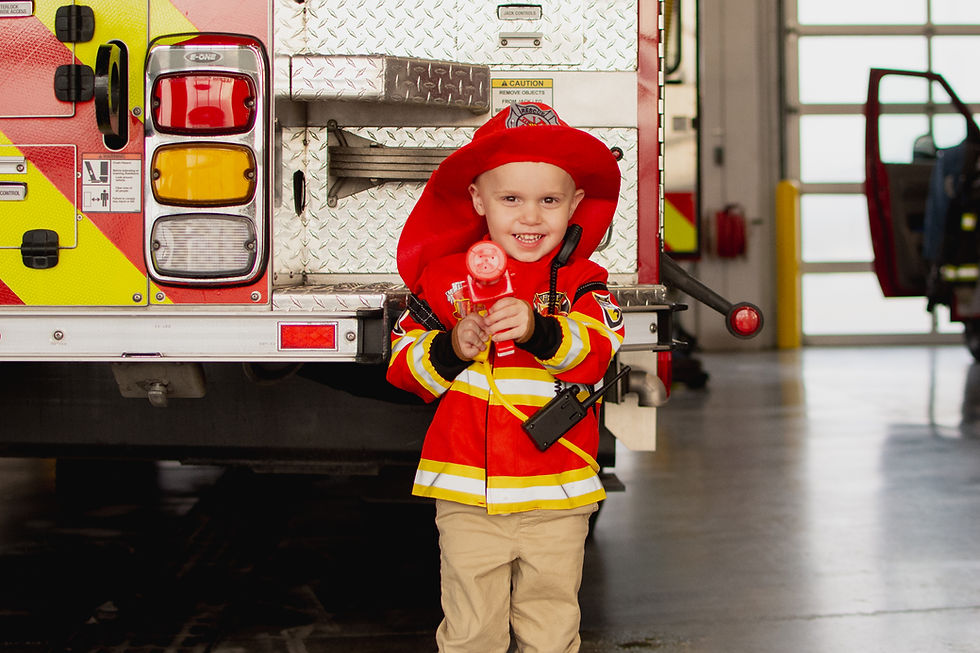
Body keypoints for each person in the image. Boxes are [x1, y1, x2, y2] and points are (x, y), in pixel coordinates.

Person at [386, 101, 625, 652]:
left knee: (551, 625)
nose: (531, 217)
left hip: (558, 495)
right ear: (478, 199)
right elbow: (403, 367)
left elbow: (598, 353)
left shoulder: (585, 283)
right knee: (470, 631)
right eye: (511, 199)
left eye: (548, 201)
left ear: (575, 205)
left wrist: (542, 331)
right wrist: (452, 346)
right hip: (468, 494)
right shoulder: (445, 280)